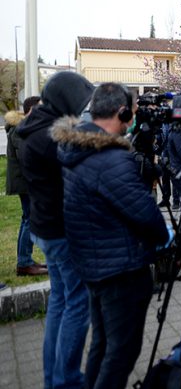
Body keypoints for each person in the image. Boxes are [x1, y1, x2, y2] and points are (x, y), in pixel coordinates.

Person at [52, 83, 169, 389]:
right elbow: (148, 216)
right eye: (130, 112)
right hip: (121, 271)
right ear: (121, 112)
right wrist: (164, 235)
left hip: (94, 264)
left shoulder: (76, 148)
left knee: (103, 345)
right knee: (121, 352)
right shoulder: (111, 158)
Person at [17, 71, 95, 389]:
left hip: (45, 226)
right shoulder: (50, 135)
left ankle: (56, 378)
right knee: (78, 304)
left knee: (61, 302)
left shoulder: (33, 127)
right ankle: (67, 380)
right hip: (62, 230)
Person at [5, 96, 47, 277]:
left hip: (26, 181)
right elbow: (28, 157)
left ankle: (26, 260)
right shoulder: (21, 129)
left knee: (27, 219)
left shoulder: (24, 127)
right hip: (25, 182)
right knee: (29, 219)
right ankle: (24, 262)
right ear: (31, 110)